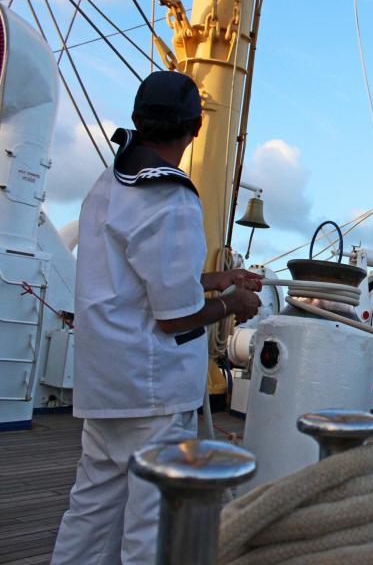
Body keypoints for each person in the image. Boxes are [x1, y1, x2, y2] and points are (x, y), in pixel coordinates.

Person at [52, 71, 263, 565]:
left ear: (136, 120)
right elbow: (177, 318)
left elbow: (132, 281)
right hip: (152, 394)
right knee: (151, 525)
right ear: (195, 129)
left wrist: (219, 279)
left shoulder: (106, 186)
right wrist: (234, 303)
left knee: (91, 510)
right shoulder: (172, 197)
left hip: (107, 386)